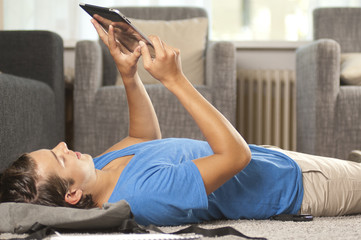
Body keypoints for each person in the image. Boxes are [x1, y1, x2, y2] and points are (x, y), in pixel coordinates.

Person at [1, 18, 361, 227]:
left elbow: (143, 137)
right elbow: (236, 157)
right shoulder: (145, 195)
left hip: (275, 161)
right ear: (72, 195)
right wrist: (175, 79)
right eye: (60, 157)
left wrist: (129, 75)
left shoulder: (101, 170)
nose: (64, 146)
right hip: (297, 185)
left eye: (56, 148)